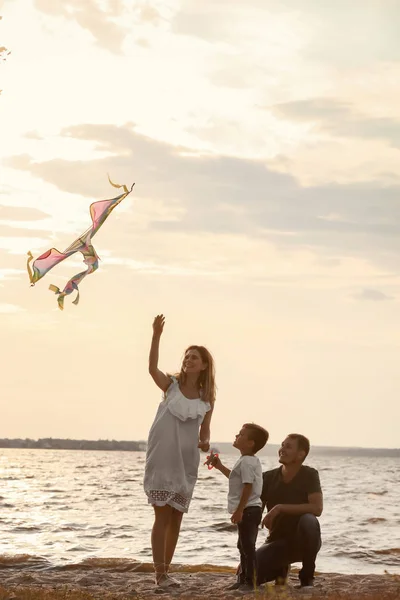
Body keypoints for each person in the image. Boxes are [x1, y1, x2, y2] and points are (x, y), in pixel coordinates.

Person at [143, 314, 216, 588]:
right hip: (163, 454)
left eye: (194, 357)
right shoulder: (170, 386)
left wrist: (205, 442)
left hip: (187, 459)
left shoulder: (206, 398)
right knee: (162, 513)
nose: (188, 360)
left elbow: (205, 429)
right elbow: (152, 368)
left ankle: (166, 572)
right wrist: (156, 336)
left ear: (204, 365)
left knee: (177, 516)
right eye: (186, 356)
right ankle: (159, 575)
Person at [256, 434, 323, 589]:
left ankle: (307, 579)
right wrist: (248, 557)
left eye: (288, 446)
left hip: (304, 542)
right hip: (276, 541)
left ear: (301, 454)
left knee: (309, 520)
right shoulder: (268, 477)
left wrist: (279, 508)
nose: (282, 449)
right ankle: (281, 569)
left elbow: (317, 508)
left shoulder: (309, 474)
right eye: (282, 445)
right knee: (247, 575)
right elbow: (255, 512)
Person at [209, 423, 269, 592]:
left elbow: (248, 487)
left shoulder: (248, 462)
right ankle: (243, 579)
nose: (236, 436)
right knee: (242, 545)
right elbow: (236, 478)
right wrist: (219, 466)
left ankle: (250, 581)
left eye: (241, 434)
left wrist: (239, 510)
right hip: (250, 509)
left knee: (247, 546)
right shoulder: (245, 460)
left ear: (250, 443)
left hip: (249, 509)